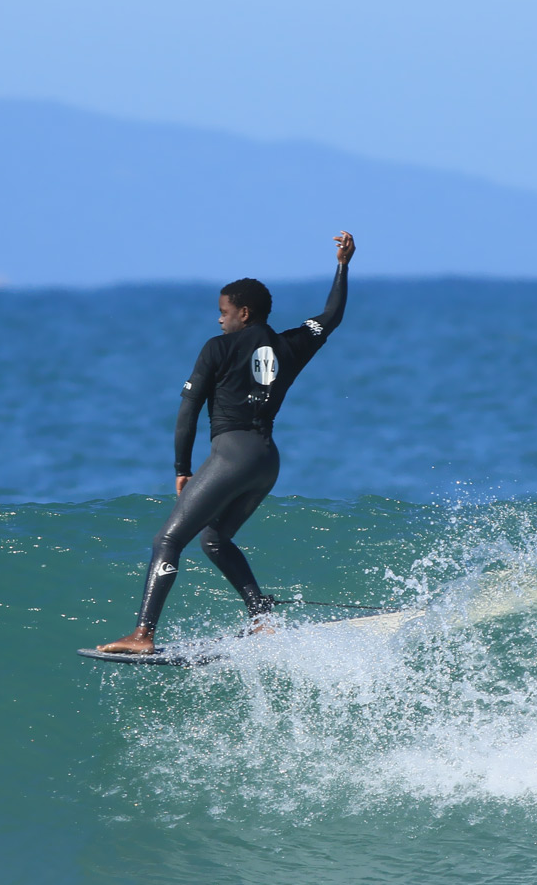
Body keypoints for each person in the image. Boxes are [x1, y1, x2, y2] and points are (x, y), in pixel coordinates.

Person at [97, 231, 356, 654]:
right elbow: (331, 315)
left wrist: (182, 468)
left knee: (168, 541)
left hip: (231, 454)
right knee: (213, 539)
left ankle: (143, 634)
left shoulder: (216, 349)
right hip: (266, 460)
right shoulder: (292, 344)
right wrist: (343, 265)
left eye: (224, 311)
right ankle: (262, 618)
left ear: (244, 313)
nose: (219, 319)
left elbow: (188, 413)